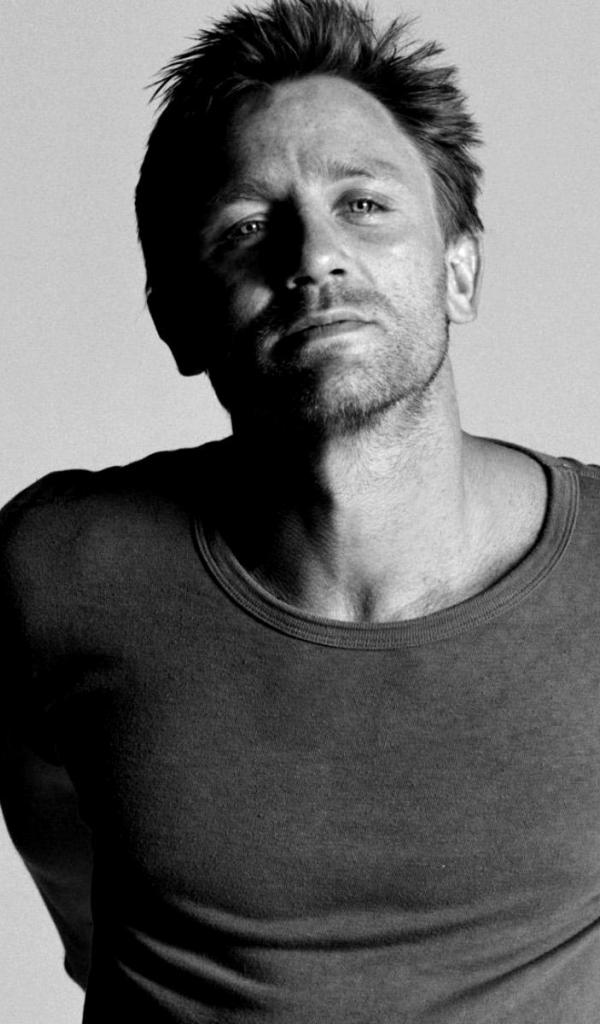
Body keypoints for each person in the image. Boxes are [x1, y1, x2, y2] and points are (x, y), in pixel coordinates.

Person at [1, 0, 600, 1020]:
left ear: (459, 268)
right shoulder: (57, 570)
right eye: (246, 226)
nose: (313, 254)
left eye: (363, 204)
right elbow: (71, 878)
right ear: (178, 317)